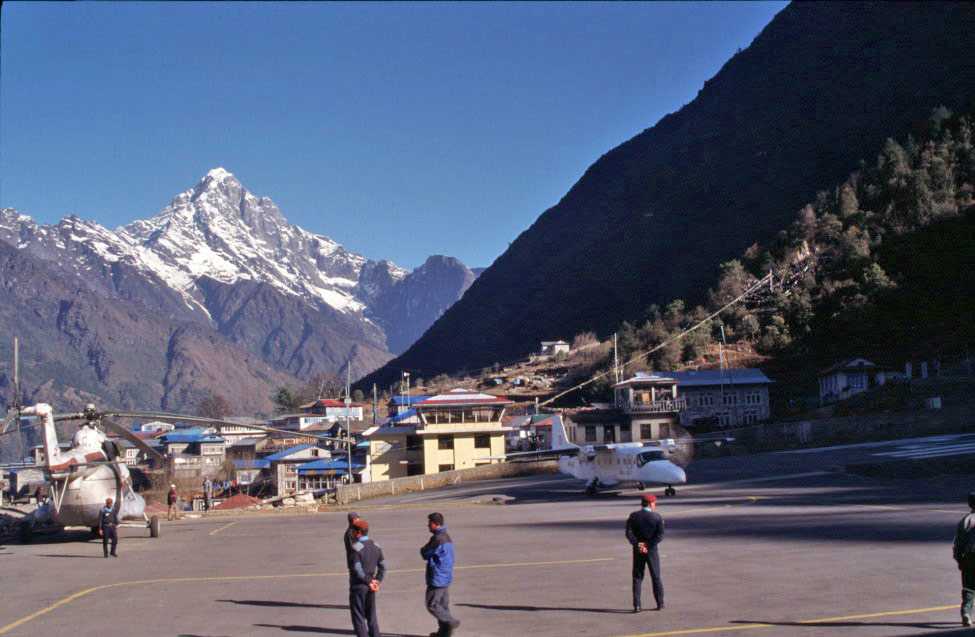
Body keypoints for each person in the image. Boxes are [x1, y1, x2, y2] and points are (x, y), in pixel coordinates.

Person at [421, 512, 460, 637]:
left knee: (432, 604)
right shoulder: (446, 536)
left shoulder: (437, 539)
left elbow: (425, 553)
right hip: (445, 575)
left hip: (437, 577)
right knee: (443, 605)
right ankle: (444, 633)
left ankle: (451, 622)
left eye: (430, 523)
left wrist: (423, 550)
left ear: (435, 524)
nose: (428, 525)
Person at [626, 494, 665, 613]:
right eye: (654, 503)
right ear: (650, 503)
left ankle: (637, 605)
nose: (655, 505)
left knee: (637, 577)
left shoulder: (633, 516)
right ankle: (660, 603)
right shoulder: (657, 517)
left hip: (638, 550)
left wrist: (639, 544)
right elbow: (660, 535)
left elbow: (629, 533)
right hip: (651, 550)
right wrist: (648, 545)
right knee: (656, 576)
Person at [348, 518, 385, 637]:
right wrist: (377, 581)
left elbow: (358, 569)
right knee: (371, 615)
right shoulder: (376, 546)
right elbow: (383, 566)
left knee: (358, 617)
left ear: (358, 532)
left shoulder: (356, 548)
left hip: (359, 585)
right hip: (371, 585)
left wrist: (368, 581)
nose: (352, 533)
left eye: (353, 531)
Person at [953, 492, 975, 626]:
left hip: (969, 556)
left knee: (968, 586)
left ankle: (966, 612)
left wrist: (959, 559)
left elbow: (958, 543)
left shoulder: (965, 520)